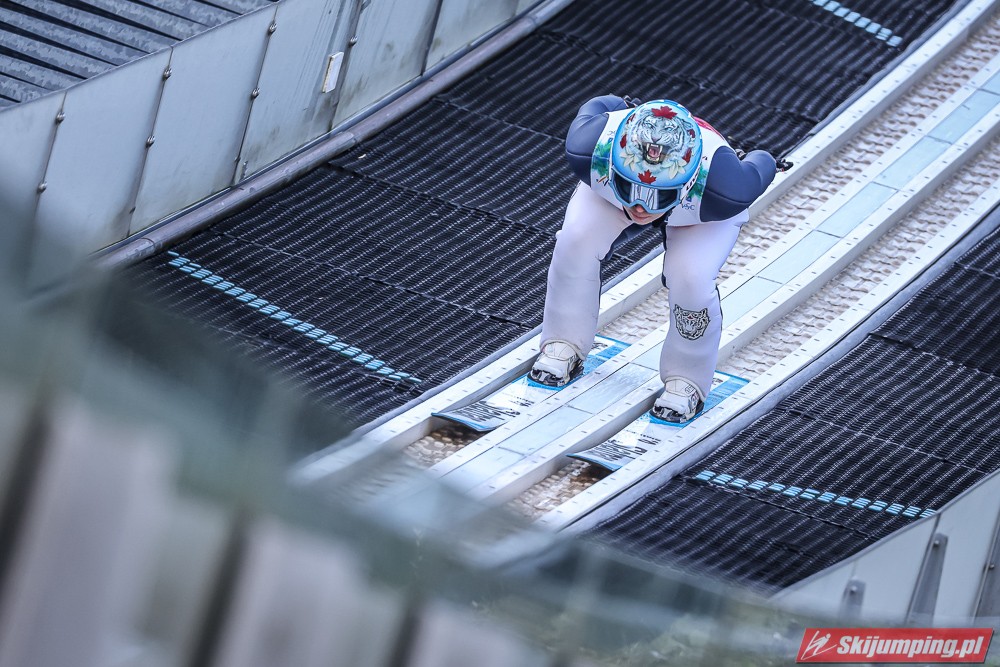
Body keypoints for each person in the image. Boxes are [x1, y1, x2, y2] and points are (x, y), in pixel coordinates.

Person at [528, 95, 783, 422]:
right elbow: (597, 107)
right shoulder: (589, 148)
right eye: (630, 186)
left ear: (688, 182)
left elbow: (757, 171)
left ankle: (687, 379)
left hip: (697, 212)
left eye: (658, 195)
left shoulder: (725, 188)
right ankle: (563, 342)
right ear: (611, 163)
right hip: (640, 195)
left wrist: (759, 159)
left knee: (691, 278)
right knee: (575, 242)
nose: (641, 208)